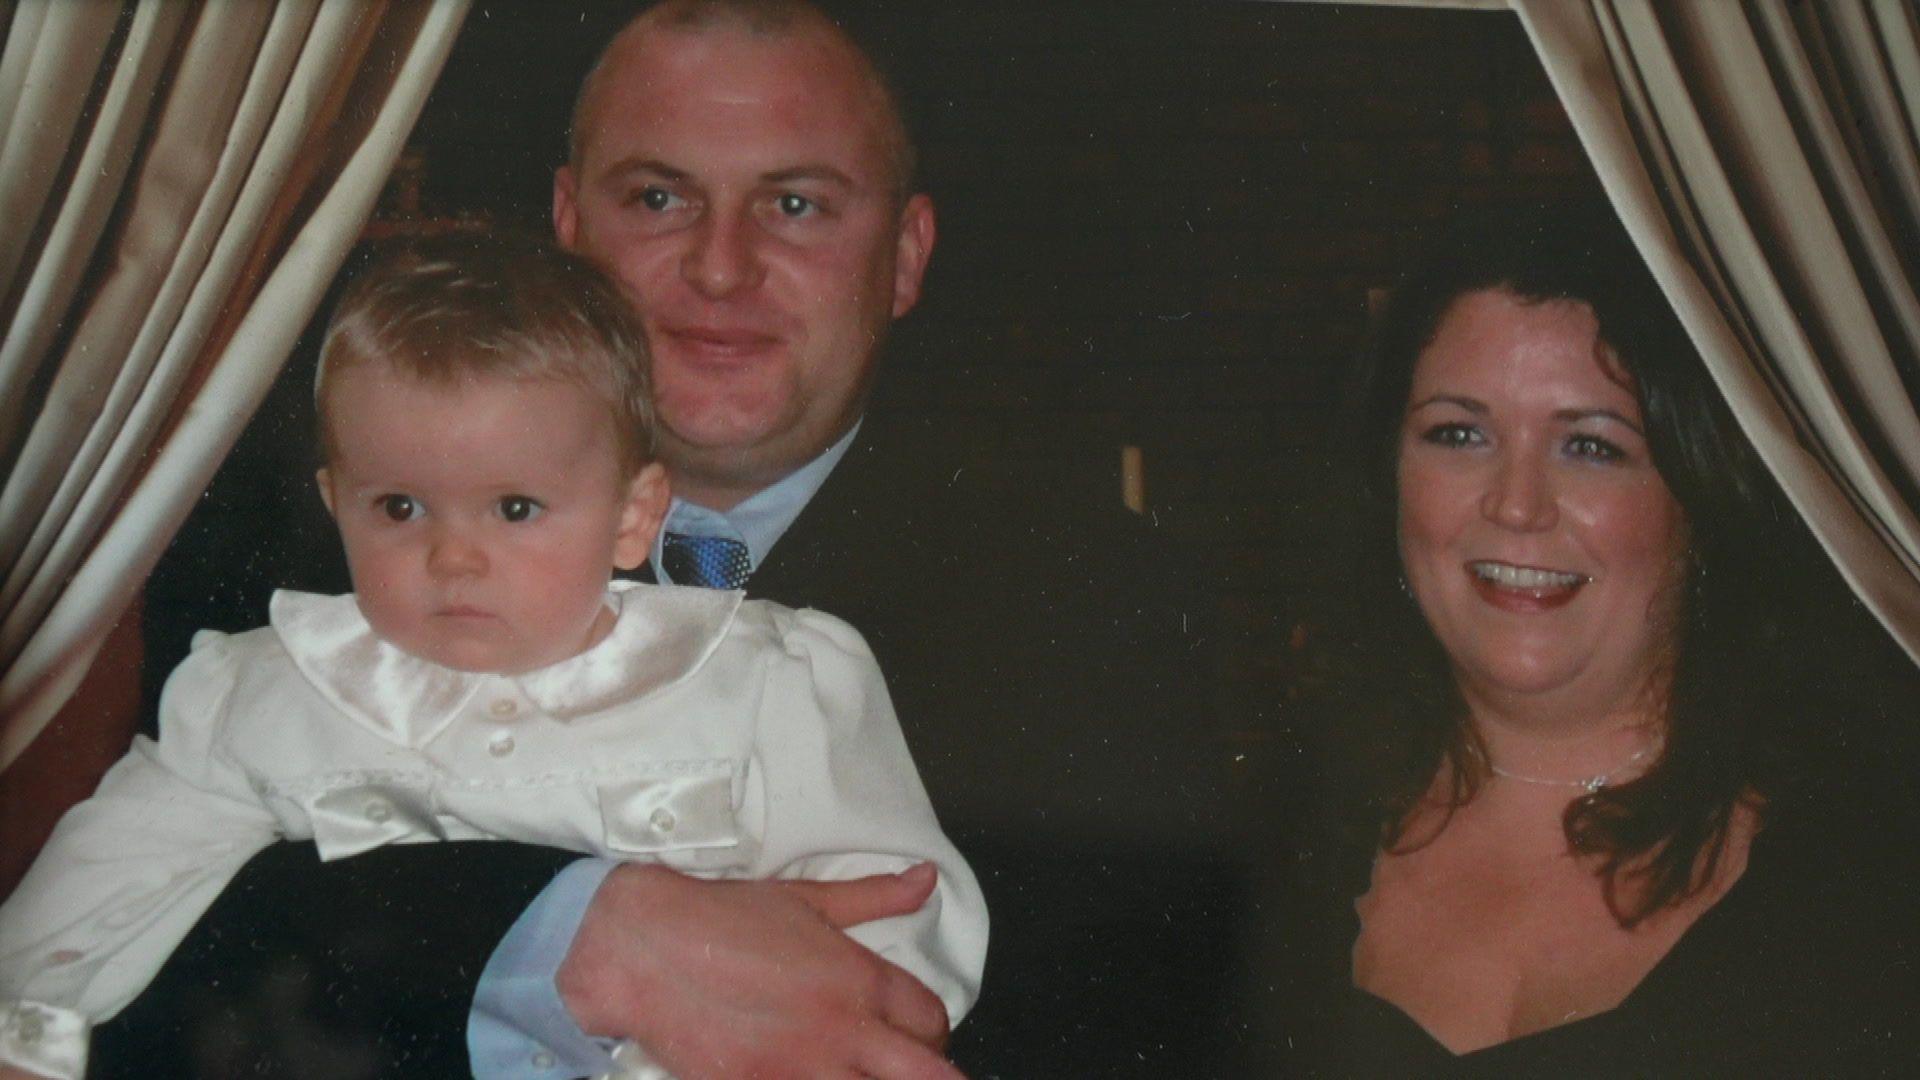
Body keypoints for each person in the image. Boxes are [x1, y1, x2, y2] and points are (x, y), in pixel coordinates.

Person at [104, 2, 1250, 1076]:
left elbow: (1126, 1022)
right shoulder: (313, 542)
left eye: (796, 204)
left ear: (903, 257)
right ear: (565, 226)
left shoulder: (1102, 601)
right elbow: (155, 944)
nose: (719, 265)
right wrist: (558, 938)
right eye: (658, 198)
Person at [0, 236, 987, 1080]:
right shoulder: (256, 694)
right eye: (401, 507)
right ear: (337, 500)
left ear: (634, 514)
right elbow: (90, 914)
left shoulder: (763, 679)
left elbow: (897, 913)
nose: (452, 555)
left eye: (515, 509)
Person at [1256, 202, 1920, 1073]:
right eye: (1459, 434)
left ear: (1700, 492)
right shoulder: (1269, 837)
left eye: (1592, 447)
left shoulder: (1875, 865)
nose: (1516, 505)